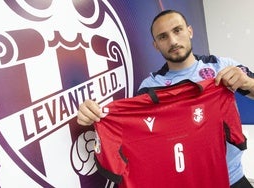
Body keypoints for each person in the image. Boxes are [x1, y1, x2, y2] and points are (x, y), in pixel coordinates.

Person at [77, 10, 254, 188]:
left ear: (190, 31)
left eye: (177, 30)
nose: (173, 41)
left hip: (234, 178)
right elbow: (137, 135)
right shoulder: (150, 87)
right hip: (185, 181)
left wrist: (248, 83)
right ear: (156, 45)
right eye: (163, 37)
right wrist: (97, 114)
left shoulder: (221, 66)